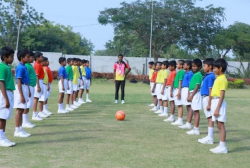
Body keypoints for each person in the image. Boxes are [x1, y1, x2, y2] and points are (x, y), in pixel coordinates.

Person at [210, 58, 228, 154]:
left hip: (219, 103)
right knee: (218, 124)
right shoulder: (218, 78)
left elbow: (222, 94)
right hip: (215, 101)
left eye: (214, 68)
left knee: (221, 125)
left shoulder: (223, 79)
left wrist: (217, 109)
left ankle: (223, 146)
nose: (213, 70)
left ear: (220, 68)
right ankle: (221, 145)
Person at [0, 47, 16, 147]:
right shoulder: (2, 67)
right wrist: (6, 98)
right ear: (4, 57)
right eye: (11, 57)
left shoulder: (7, 67)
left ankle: (3, 137)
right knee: (2, 117)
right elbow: (1, 82)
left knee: (4, 117)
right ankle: (1, 138)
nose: (13, 59)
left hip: (9, 92)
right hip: (4, 93)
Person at [13, 49, 31, 138]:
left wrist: (28, 91)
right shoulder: (20, 67)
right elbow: (19, 81)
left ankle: (20, 128)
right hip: (21, 88)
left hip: (25, 87)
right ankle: (17, 130)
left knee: (22, 109)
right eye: (27, 57)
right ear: (22, 58)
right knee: (19, 110)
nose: (28, 58)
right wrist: (21, 95)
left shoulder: (24, 66)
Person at [198, 58, 215, 144]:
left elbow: (210, 90)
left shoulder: (211, 76)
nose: (203, 67)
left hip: (208, 97)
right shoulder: (207, 75)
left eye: (204, 65)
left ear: (210, 66)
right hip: (205, 97)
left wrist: (209, 103)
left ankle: (210, 137)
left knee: (210, 118)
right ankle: (209, 136)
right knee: (209, 117)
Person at [186, 59, 203, 135]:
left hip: (196, 94)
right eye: (192, 66)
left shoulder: (199, 75)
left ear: (199, 67)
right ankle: (195, 128)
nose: (193, 68)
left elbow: (197, 86)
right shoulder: (194, 74)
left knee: (196, 112)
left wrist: (191, 96)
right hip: (192, 93)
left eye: (195, 66)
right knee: (194, 110)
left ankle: (196, 129)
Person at [32, 52, 48, 121]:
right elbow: (37, 76)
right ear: (37, 58)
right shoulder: (37, 65)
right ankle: (34, 114)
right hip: (39, 82)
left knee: (38, 98)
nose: (42, 58)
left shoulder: (38, 65)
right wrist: (38, 86)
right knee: (36, 98)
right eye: (41, 57)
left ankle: (37, 113)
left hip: (40, 81)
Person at [22, 50, 37, 128]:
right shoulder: (27, 66)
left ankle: (26, 120)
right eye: (31, 57)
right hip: (28, 86)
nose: (32, 59)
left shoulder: (30, 65)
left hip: (31, 86)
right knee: (26, 105)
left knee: (28, 105)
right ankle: (24, 122)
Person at [178, 60, 194, 129]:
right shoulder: (185, 73)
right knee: (187, 107)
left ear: (188, 66)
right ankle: (187, 123)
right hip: (184, 89)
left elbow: (190, 83)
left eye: (185, 65)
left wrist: (189, 94)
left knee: (189, 107)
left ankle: (188, 123)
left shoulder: (190, 73)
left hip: (187, 89)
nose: (183, 66)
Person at [171, 60, 185, 125]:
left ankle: (180, 120)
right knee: (178, 105)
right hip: (176, 89)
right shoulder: (179, 72)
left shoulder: (182, 72)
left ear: (181, 65)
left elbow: (180, 82)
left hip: (178, 89)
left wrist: (179, 92)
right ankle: (179, 119)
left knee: (180, 105)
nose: (176, 65)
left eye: (177, 64)